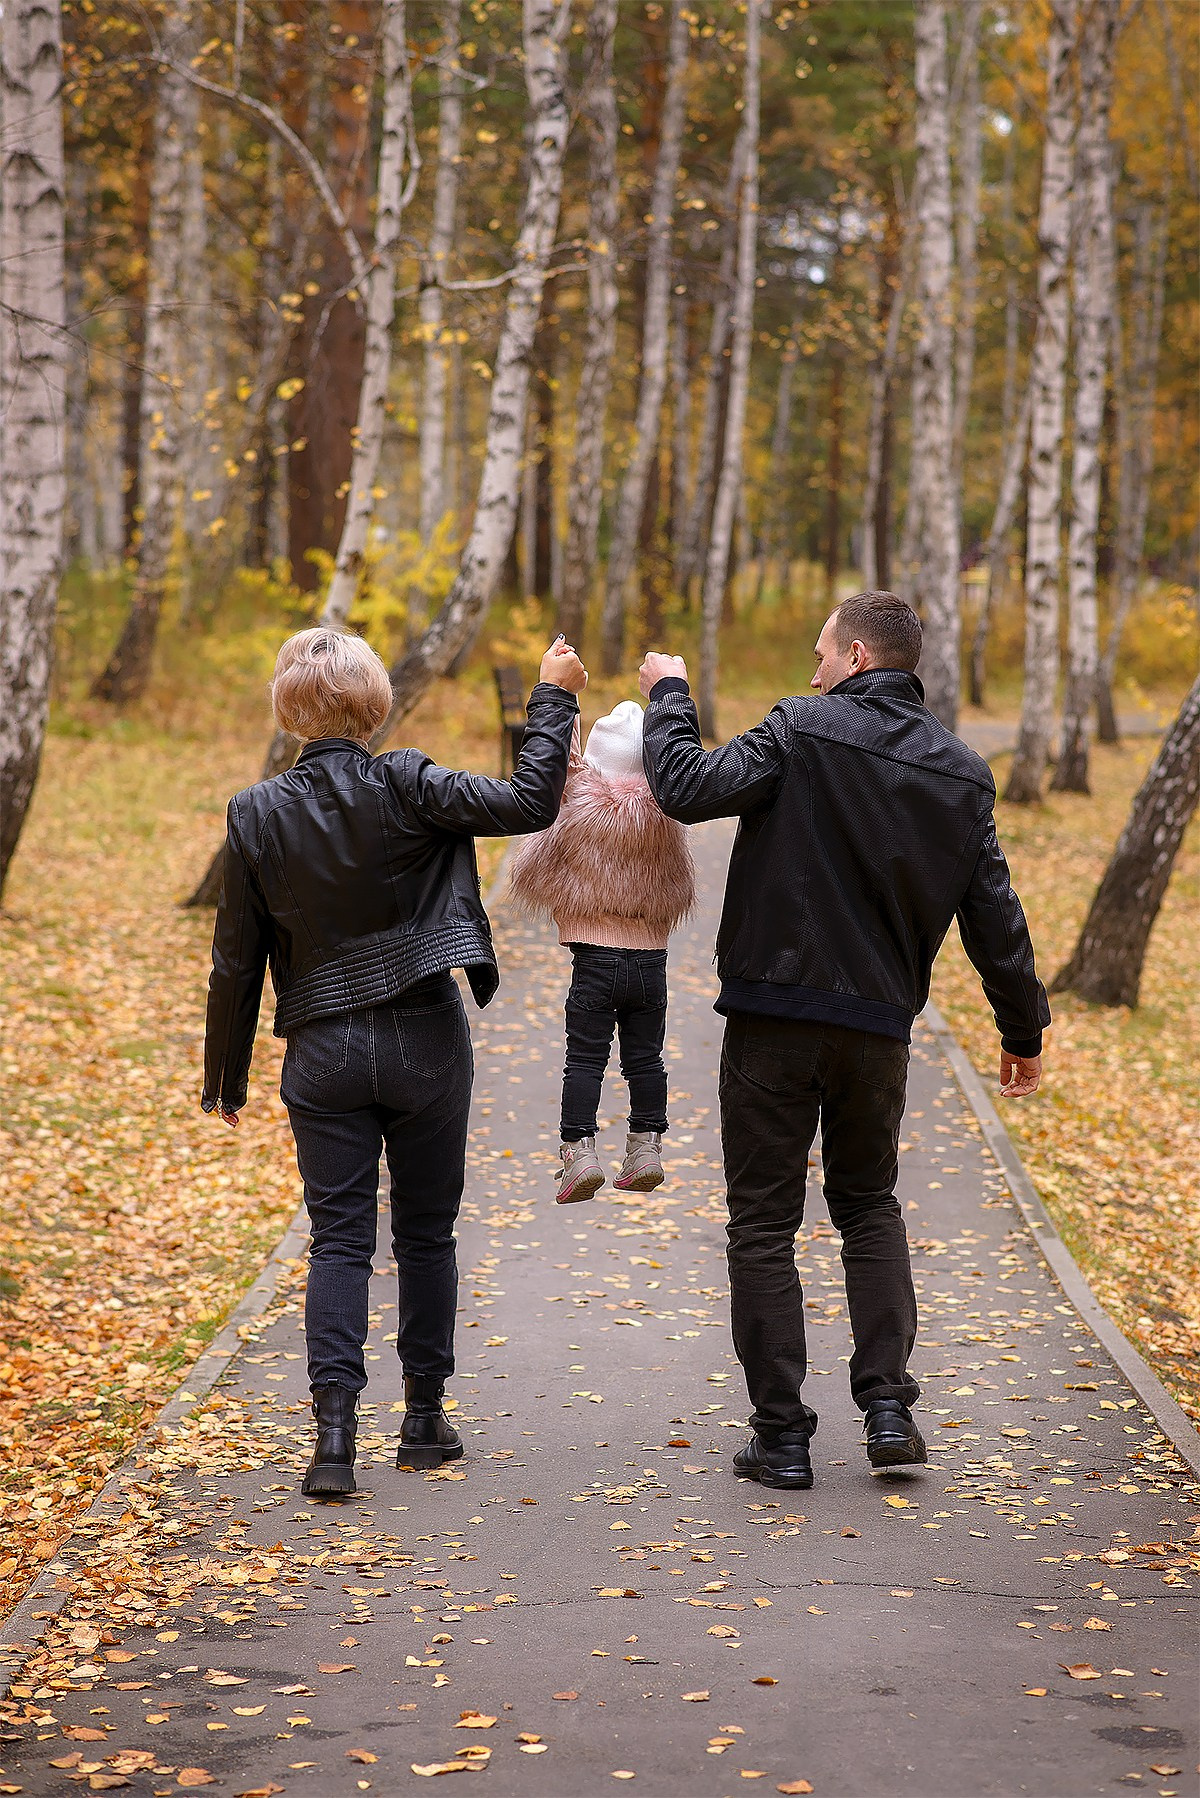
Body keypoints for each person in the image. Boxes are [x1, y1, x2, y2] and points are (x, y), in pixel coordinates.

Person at [638, 591, 1049, 1491]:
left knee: (763, 1223)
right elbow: (996, 917)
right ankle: (891, 1409)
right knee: (869, 1206)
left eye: (822, 653)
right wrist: (1023, 1027)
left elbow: (683, 785)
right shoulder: (960, 772)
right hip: (876, 1033)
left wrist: (670, 693)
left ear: (858, 656)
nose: (812, 669)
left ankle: (781, 1438)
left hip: (773, 1018)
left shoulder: (800, 726)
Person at [202, 628, 586, 1497]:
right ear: (372, 704)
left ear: (290, 708)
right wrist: (553, 693)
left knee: (338, 1240)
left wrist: (223, 1079)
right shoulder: (410, 782)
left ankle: (333, 1443)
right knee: (425, 1233)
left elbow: (236, 960)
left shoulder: (255, 812)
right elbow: (531, 801)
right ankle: (421, 1422)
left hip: (323, 1049)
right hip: (422, 1036)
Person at [508, 700, 695, 1202]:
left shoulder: (582, 801)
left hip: (593, 960)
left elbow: (560, 776)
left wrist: (563, 718)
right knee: (646, 1059)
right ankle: (646, 1147)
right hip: (651, 963)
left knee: (584, 1058)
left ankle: (579, 1152)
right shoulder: (666, 809)